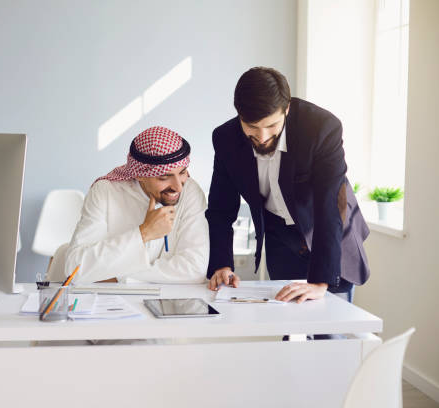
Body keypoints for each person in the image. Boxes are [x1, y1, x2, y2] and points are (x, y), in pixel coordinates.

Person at [206, 67, 370, 303]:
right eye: (252, 127)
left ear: (287, 109)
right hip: (281, 241)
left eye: (271, 126)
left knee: (330, 331)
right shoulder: (225, 138)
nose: (261, 137)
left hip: (329, 237)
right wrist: (221, 264)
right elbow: (220, 209)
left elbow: (330, 206)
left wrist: (319, 281)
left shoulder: (321, 128)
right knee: (289, 324)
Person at [64, 126, 209, 284]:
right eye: (164, 177)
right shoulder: (105, 191)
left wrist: (116, 276)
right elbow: (74, 270)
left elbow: (194, 270)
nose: (178, 187)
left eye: (182, 172)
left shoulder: (190, 191)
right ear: (139, 174)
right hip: (110, 301)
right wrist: (144, 233)